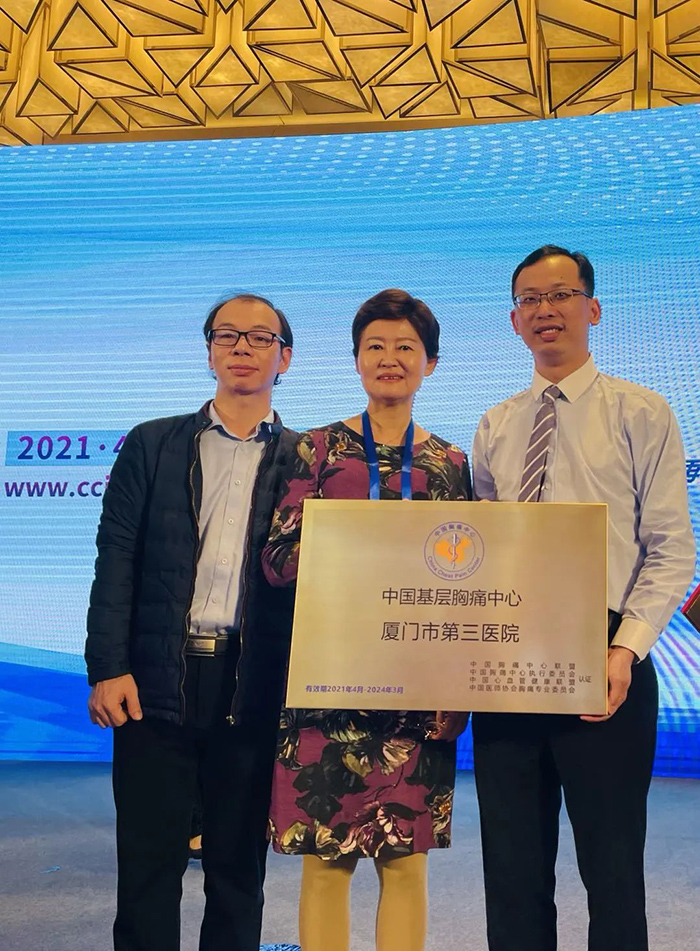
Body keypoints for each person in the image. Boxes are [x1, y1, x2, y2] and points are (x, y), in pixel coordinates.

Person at [471, 246, 696, 951]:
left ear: (592, 309)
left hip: (606, 658)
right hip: (507, 658)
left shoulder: (642, 411)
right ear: (514, 320)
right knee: (512, 870)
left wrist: (624, 651)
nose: (546, 310)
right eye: (530, 299)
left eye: (561, 294)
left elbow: (671, 548)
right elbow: (483, 553)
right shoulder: (495, 424)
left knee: (612, 867)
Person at [85, 293, 297, 951]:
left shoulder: (307, 460)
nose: (242, 347)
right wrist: (108, 666)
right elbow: (116, 558)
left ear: (285, 357)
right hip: (154, 681)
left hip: (253, 686)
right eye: (227, 335)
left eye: (260, 337)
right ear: (209, 351)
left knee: (238, 872)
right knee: (147, 868)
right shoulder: (152, 443)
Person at [262, 288, 471, 951]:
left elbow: (471, 586)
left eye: (406, 347)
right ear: (356, 360)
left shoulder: (451, 465)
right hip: (326, 687)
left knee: (405, 865)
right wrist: (358, 554)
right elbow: (276, 559)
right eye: (375, 346)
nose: (390, 358)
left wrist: (458, 691)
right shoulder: (316, 450)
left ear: (430, 363)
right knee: (327, 863)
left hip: (417, 693)